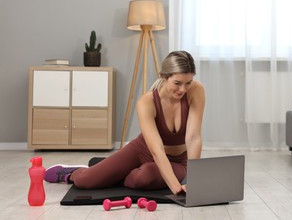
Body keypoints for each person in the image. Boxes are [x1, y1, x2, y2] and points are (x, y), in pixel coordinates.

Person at [44, 50, 205, 195]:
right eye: (177, 83)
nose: (183, 89)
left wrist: (194, 181)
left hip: (176, 161)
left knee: (145, 177)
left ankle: (114, 174)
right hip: (143, 150)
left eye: (188, 82)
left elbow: (193, 138)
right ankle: (72, 172)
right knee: (84, 181)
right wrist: (177, 189)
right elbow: (156, 149)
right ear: (163, 76)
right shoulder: (147, 102)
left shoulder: (196, 91)